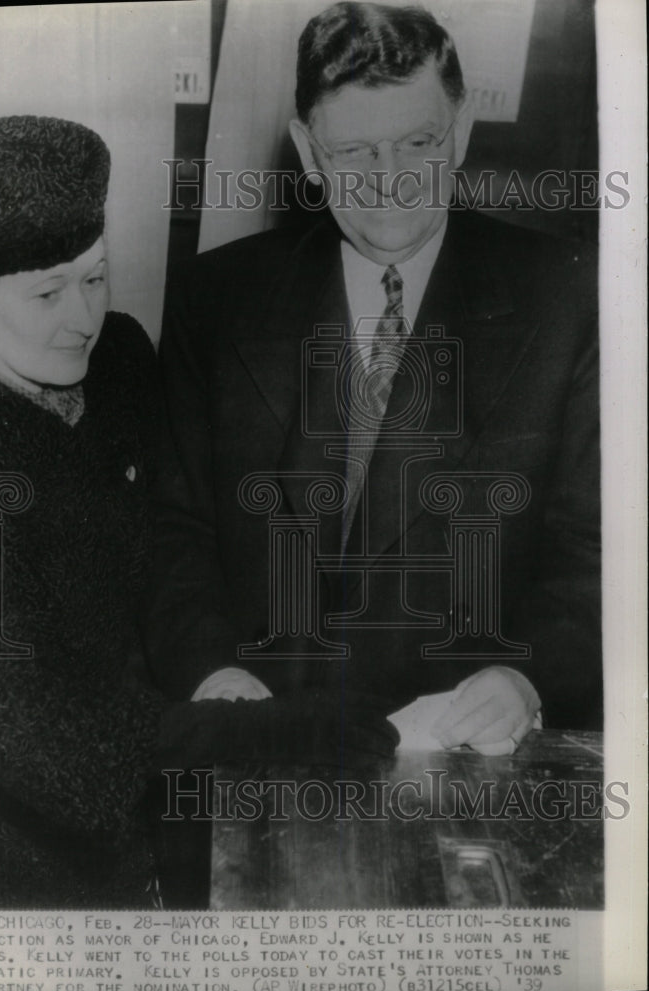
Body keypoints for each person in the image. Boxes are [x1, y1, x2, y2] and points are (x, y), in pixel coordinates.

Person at [0, 115, 398, 909]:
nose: (83, 319)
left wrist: (225, 665)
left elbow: (179, 533)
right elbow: (42, 738)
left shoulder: (123, 361)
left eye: (96, 278)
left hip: (154, 804)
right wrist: (271, 731)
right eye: (46, 293)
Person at [148, 2, 601, 749]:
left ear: (458, 132)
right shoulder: (214, 299)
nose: (389, 183)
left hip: (459, 743)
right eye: (354, 153)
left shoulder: (568, 299)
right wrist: (209, 672)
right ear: (305, 148)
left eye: (417, 142)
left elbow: (596, 549)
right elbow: (174, 530)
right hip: (257, 732)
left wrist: (527, 678)